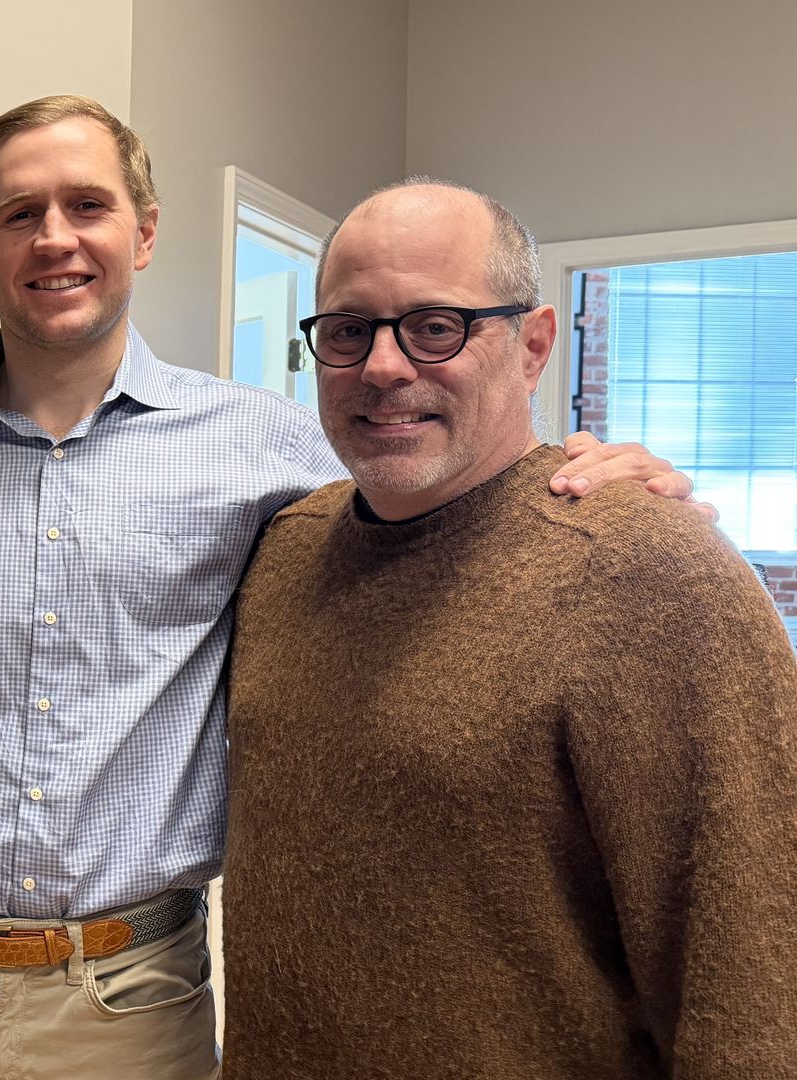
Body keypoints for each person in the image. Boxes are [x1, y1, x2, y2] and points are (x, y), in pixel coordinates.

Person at [0, 96, 697, 1080]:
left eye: (87, 205)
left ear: (143, 234)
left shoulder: (264, 442)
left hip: (126, 997)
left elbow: (446, 486)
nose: (55, 238)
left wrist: (586, 477)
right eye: (19, 214)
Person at [220, 179, 797, 1077]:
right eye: (347, 330)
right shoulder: (282, 554)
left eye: (436, 326)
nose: (382, 367)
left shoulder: (651, 571)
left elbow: (753, 966)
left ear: (532, 348)